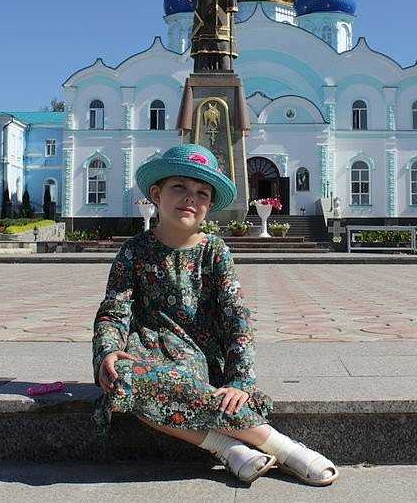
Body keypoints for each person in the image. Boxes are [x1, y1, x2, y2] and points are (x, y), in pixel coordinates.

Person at [92, 143, 338, 485]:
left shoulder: (214, 251)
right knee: (121, 376)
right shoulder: (134, 251)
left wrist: (240, 380)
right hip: (148, 350)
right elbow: (115, 307)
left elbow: (235, 315)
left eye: (202, 192)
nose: (190, 198)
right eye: (179, 187)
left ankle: (274, 446)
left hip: (201, 355)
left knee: (181, 384)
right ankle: (233, 446)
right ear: (156, 193)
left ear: (209, 205)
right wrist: (108, 349)